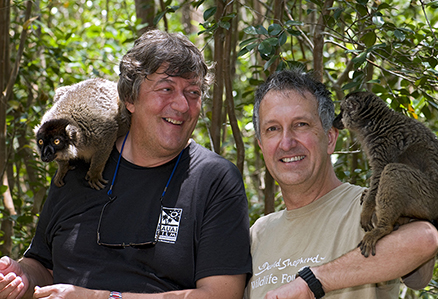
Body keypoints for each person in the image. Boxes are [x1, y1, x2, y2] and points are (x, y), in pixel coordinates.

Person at [0, 30, 252, 299]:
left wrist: (99, 297)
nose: (182, 105)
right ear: (130, 99)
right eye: (166, 89)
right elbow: (43, 266)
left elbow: (222, 295)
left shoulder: (214, 178)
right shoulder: (77, 168)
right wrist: (20, 277)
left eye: (193, 92)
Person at [244, 69, 438, 299]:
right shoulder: (257, 234)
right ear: (261, 145)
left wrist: (314, 282)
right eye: (273, 129)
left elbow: (425, 239)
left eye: (301, 125)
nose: (286, 143)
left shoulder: (369, 205)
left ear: (330, 138)